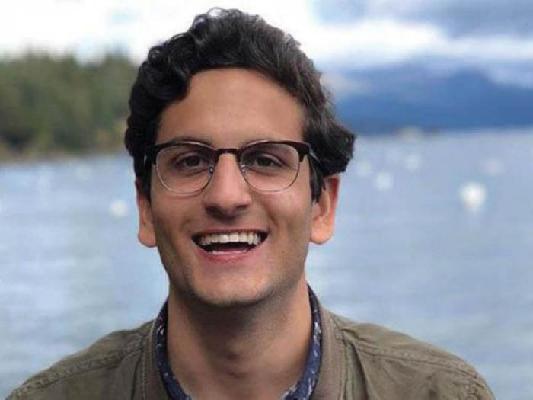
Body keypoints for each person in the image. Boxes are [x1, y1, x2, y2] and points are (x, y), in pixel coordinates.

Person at [9, 8, 494, 400]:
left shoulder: (442, 394)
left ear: (322, 206)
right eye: (190, 161)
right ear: (145, 208)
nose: (226, 196)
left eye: (265, 160)